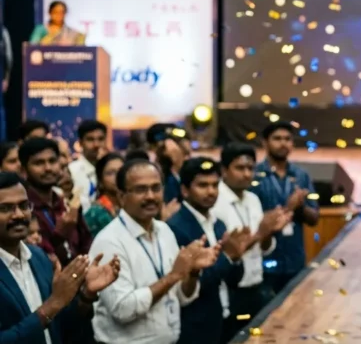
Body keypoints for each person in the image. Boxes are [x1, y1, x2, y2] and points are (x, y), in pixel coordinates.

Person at [89, 158, 219, 344]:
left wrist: (193, 272)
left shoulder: (164, 231)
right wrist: (173, 276)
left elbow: (182, 297)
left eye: (156, 188)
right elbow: (122, 310)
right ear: (121, 196)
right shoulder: (109, 241)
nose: (151, 196)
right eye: (141, 189)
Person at [0, 172, 120, 344]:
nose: (19, 215)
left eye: (24, 206)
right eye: (5, 208)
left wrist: (86, 295)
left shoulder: (39, 257)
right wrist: (53, 304)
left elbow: (61, 326)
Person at [212, 143, 292, 343]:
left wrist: (269, 233)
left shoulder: (253, 199)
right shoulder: (215, 202)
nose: (247, 174)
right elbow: (227, 252)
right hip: (230, 292)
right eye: (240, 168)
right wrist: (261, 233)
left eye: (251, 168)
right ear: (224, 170)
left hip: (257, 284)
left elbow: (265, 249)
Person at [166, 158, 247, 344]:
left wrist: (237, 258)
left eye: (215, 185)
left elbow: (235, 279)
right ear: (185, 190)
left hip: (223, 316)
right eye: (202, 185)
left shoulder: (219, 225)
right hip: (194, 325)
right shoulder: (175, 228)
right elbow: (190, 287)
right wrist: (227, 257)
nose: (211, 192)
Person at [250, 121, 319, 294]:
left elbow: (314, 219)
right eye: (277, 138)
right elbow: (250, 220)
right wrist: (288, 208)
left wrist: (300, 207)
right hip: (263, 263)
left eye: (288, 139)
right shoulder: (253, 175)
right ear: (264, 142)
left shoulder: (301, 176)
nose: (283, 143)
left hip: (295, 260)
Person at [18, 137, 92, 267]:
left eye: (52, 161)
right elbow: (33, 258)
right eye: (38, 163)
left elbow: (87, 243)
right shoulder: (22, 209)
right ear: (24, 170)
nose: (48, 168)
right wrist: (60, 235)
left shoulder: (66, 202)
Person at [68, 120, 109, 214]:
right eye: (90, 139)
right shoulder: (72, 170)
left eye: (101, 139)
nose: (96, 145)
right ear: (81, 143)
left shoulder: (112, 169)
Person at [83, 154, 124, 236]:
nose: (117, 176)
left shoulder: (133, 207)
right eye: (110, 173)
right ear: (101, 181)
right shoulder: (94, 213)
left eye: (121, 171)